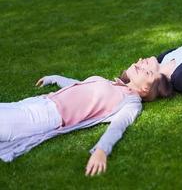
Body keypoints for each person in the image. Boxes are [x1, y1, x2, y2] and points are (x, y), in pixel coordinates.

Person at [0, 68, 173, 176]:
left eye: (148, 72)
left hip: (44, 116)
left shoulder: (131, 103)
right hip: (38, 102)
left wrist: (101, 151)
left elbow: (118, 127)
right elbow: (79, 86)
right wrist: (55, 78)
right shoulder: (114, 85)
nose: (141, 66)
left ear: (145, 89)